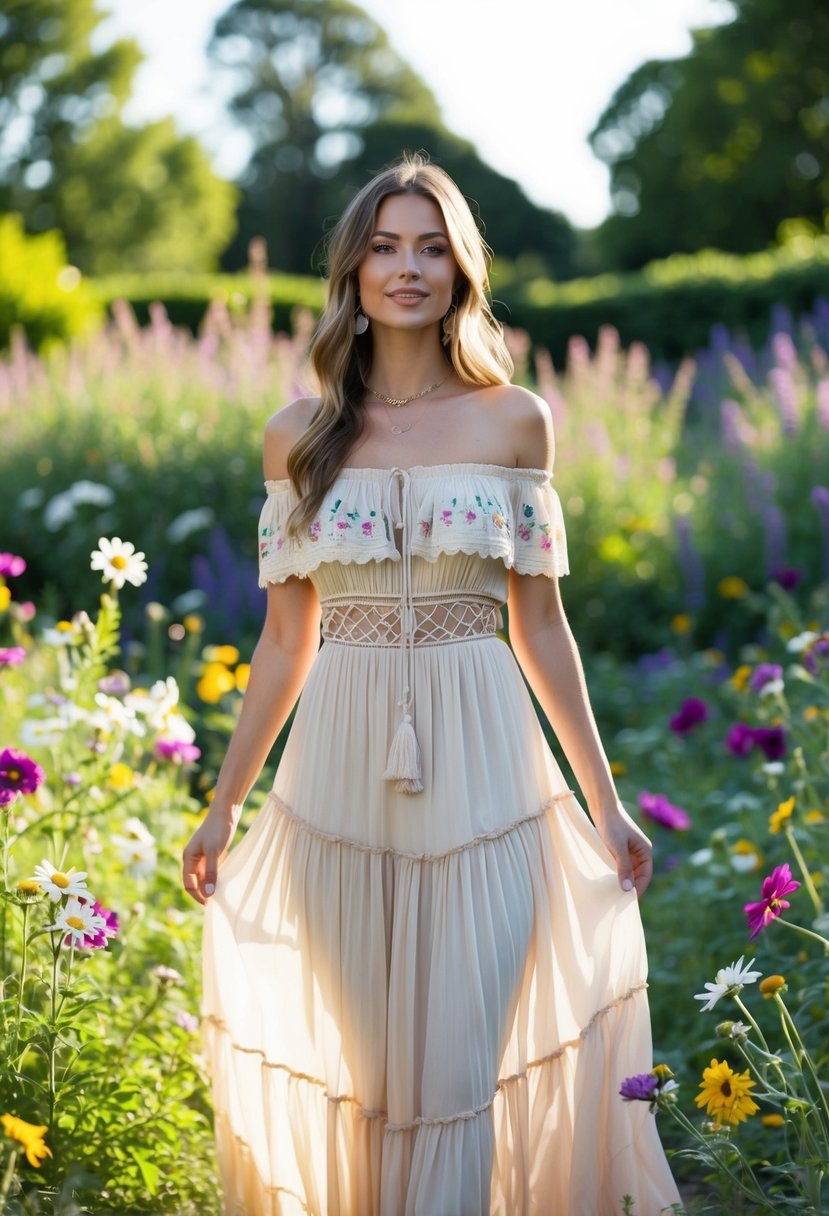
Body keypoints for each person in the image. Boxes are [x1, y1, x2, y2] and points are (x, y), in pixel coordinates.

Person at [181, 152, 683, 1216]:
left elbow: (541, 626)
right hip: (339, 779)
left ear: (460, 271)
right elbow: (283, 643)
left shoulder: (515, 421)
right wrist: (225, 804)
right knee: (372, 1082)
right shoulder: (297, 437)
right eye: (384, 245)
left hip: (487, 770)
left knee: (459, 1074)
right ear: (352, 270)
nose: (407, 267)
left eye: (431, 247)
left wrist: (603, 798)